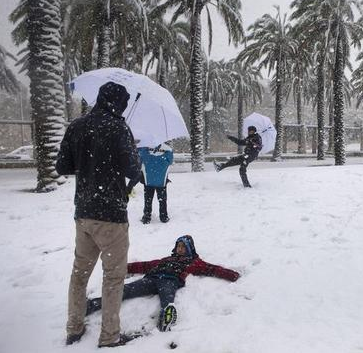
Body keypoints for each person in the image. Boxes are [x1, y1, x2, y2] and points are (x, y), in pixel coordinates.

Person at [56, 81, 141, 348]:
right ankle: (109, 336)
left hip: (83, 214)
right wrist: (131, 156)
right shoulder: (118, 128)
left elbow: (62, 166)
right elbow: (133, 170)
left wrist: (89, 162)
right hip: (111, 217)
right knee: (113, 277)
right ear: (117, 103)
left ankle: (74, 328)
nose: (124, 109)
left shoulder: (77, 126)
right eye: (124, 104)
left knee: (79, 273)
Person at [86, 235, 240, 332]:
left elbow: (212, 269)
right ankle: (92, 305)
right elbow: (145, 265)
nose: (180, 249)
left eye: (183, 247)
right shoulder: (166, 259)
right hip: (152, 278)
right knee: (125, 290)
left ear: (189, 248)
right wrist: (125, 268)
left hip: (170, 280)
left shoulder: (195, 262)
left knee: (167, 296)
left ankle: (167, 314)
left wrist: (231, 275)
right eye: (178, 246)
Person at [137, 143, 174, 224]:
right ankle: (163, 216)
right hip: (161, 181)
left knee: (148, 200)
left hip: (148, 180)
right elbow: (170, 161)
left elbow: (139, 156)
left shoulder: (144, 150)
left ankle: (147, 217)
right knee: (162, 200)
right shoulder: (167, 150)